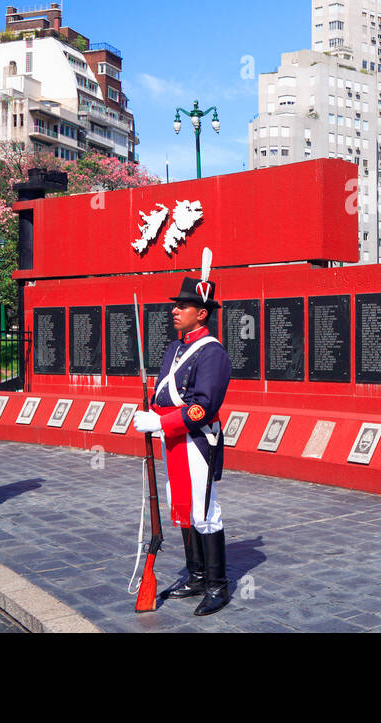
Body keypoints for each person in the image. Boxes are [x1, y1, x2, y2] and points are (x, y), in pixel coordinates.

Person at [132, 262, 233, 617]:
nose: (174, 310)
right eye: (176, 305)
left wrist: (160, 423)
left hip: (197, 441)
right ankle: (196, 575)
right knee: (184, 507)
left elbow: (201, 407)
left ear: (201, 314)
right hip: (174, 439)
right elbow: (166, 395)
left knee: (205, 511)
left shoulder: (212, 353)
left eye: (183, 306)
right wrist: (152, 416)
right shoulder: (174, 349)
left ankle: (217, 585)